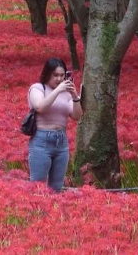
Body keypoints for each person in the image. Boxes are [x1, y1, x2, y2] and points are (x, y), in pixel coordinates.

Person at [27, 58, 82, 192]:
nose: (59, 79)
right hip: (41, 140)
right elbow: (40, 107)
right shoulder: (38, 88)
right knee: (38, 186)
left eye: (62, 75)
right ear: (47, 74)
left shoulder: (67, 93)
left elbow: (77, 116)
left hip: (61, 142)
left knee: (56, 188)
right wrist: (57, 91)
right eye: (55, 75)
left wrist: (75, 96)